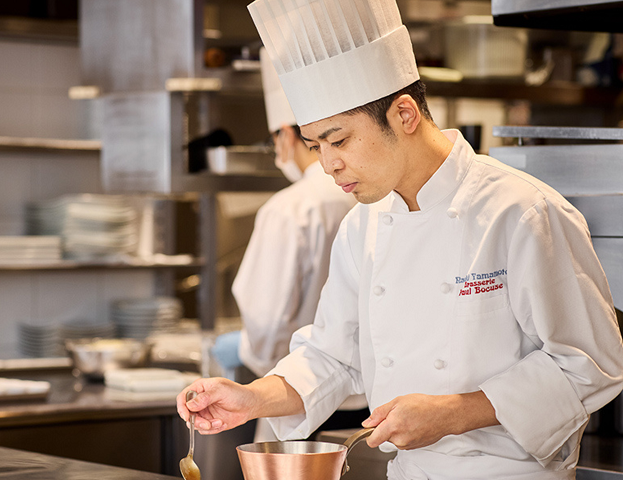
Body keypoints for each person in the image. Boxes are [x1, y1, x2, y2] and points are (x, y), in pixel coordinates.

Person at [178, 0, 623, 478]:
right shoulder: (363, 225)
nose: (328, 164)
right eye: (315, 146)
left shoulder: (522, 211)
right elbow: (332, 354)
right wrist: (251, 399)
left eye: (340, 140)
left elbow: (592, 362)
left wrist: (456, 411)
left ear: (405, 114)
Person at [211, 48, 361, 441]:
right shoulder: (365, 195)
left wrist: (246, 349)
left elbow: (266, 319)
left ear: (287, 135)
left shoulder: (289, 208)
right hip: (365, 406)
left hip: (297, 402)